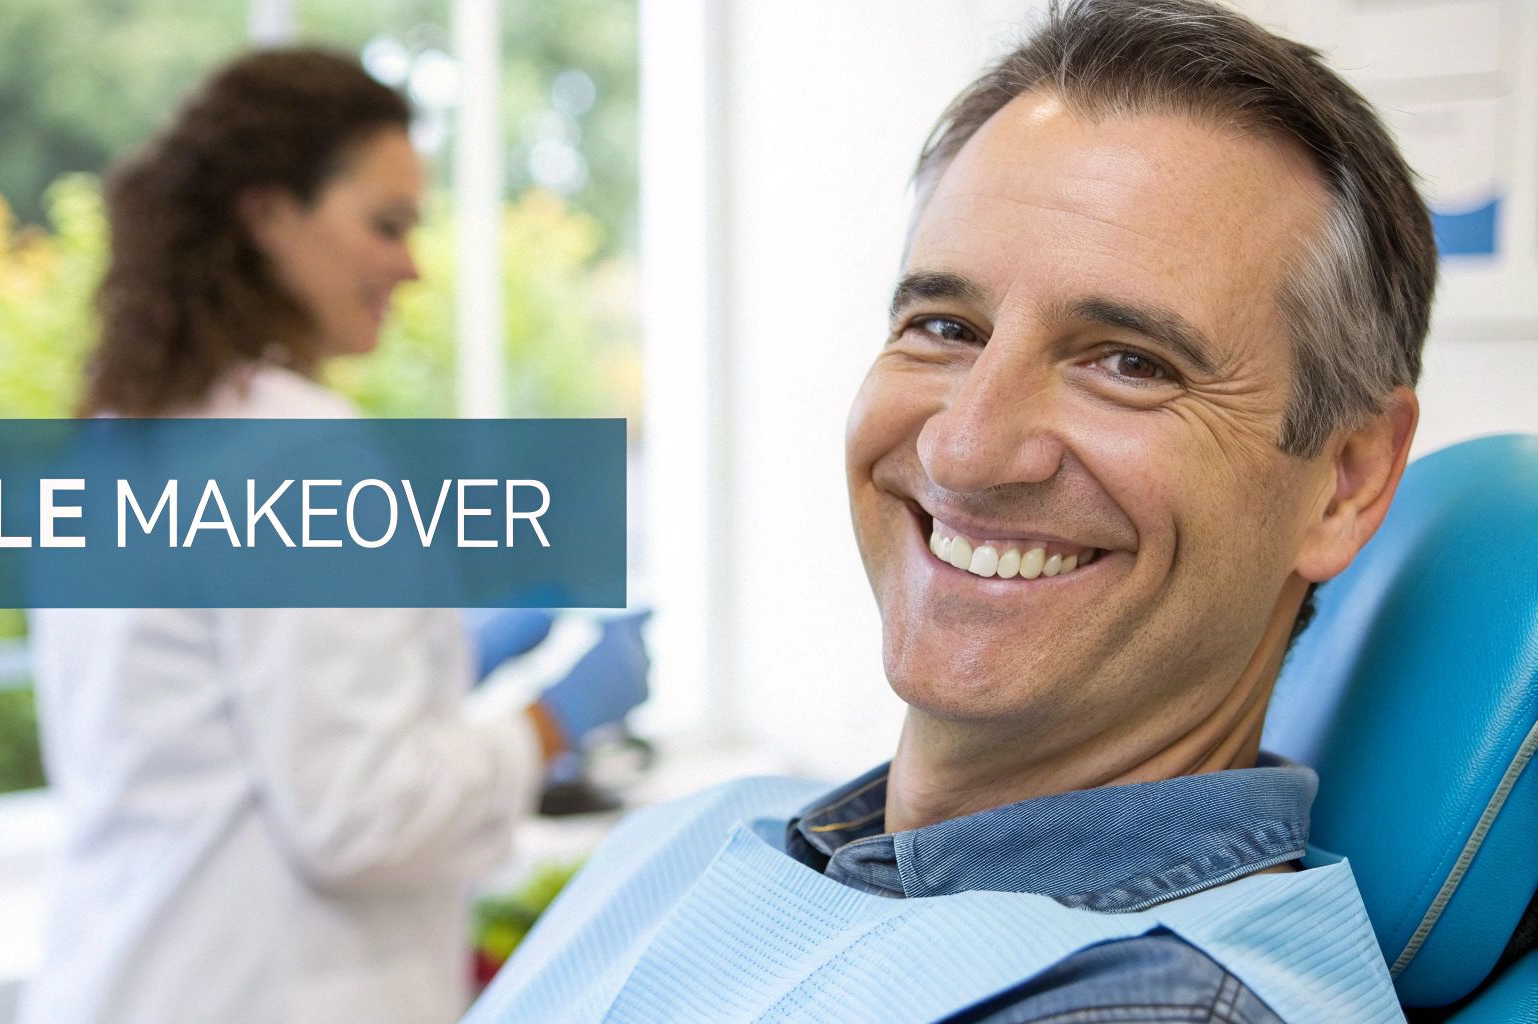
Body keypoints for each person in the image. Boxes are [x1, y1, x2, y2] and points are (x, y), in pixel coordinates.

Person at [464, 1, 1434, 1021]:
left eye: (1128, 362)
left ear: (1346, 479)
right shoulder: (710, 834)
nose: (960, 447)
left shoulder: (1148, 1001)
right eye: (943, 325)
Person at [21, 49, 650, 1024]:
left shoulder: (129, 432)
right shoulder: (295, 449)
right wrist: (554, 720)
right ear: (268, 215)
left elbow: (221, 723)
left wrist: (445, 657)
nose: (410, 263)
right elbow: (361, 816)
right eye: (385, 224)